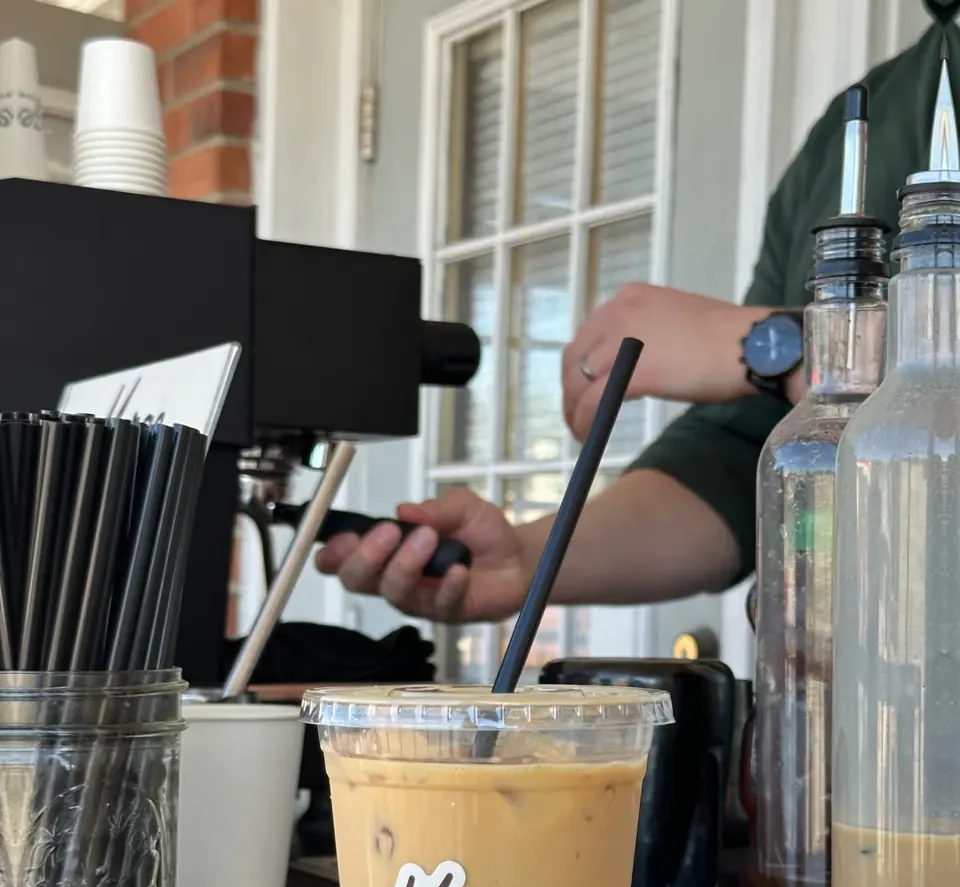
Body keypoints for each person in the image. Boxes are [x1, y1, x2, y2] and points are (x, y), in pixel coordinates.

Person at [317, 1, 959, 625]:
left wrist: (780, 344)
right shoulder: (856, 123)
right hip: (847, 704)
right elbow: (737, 460)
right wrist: (524, 560)